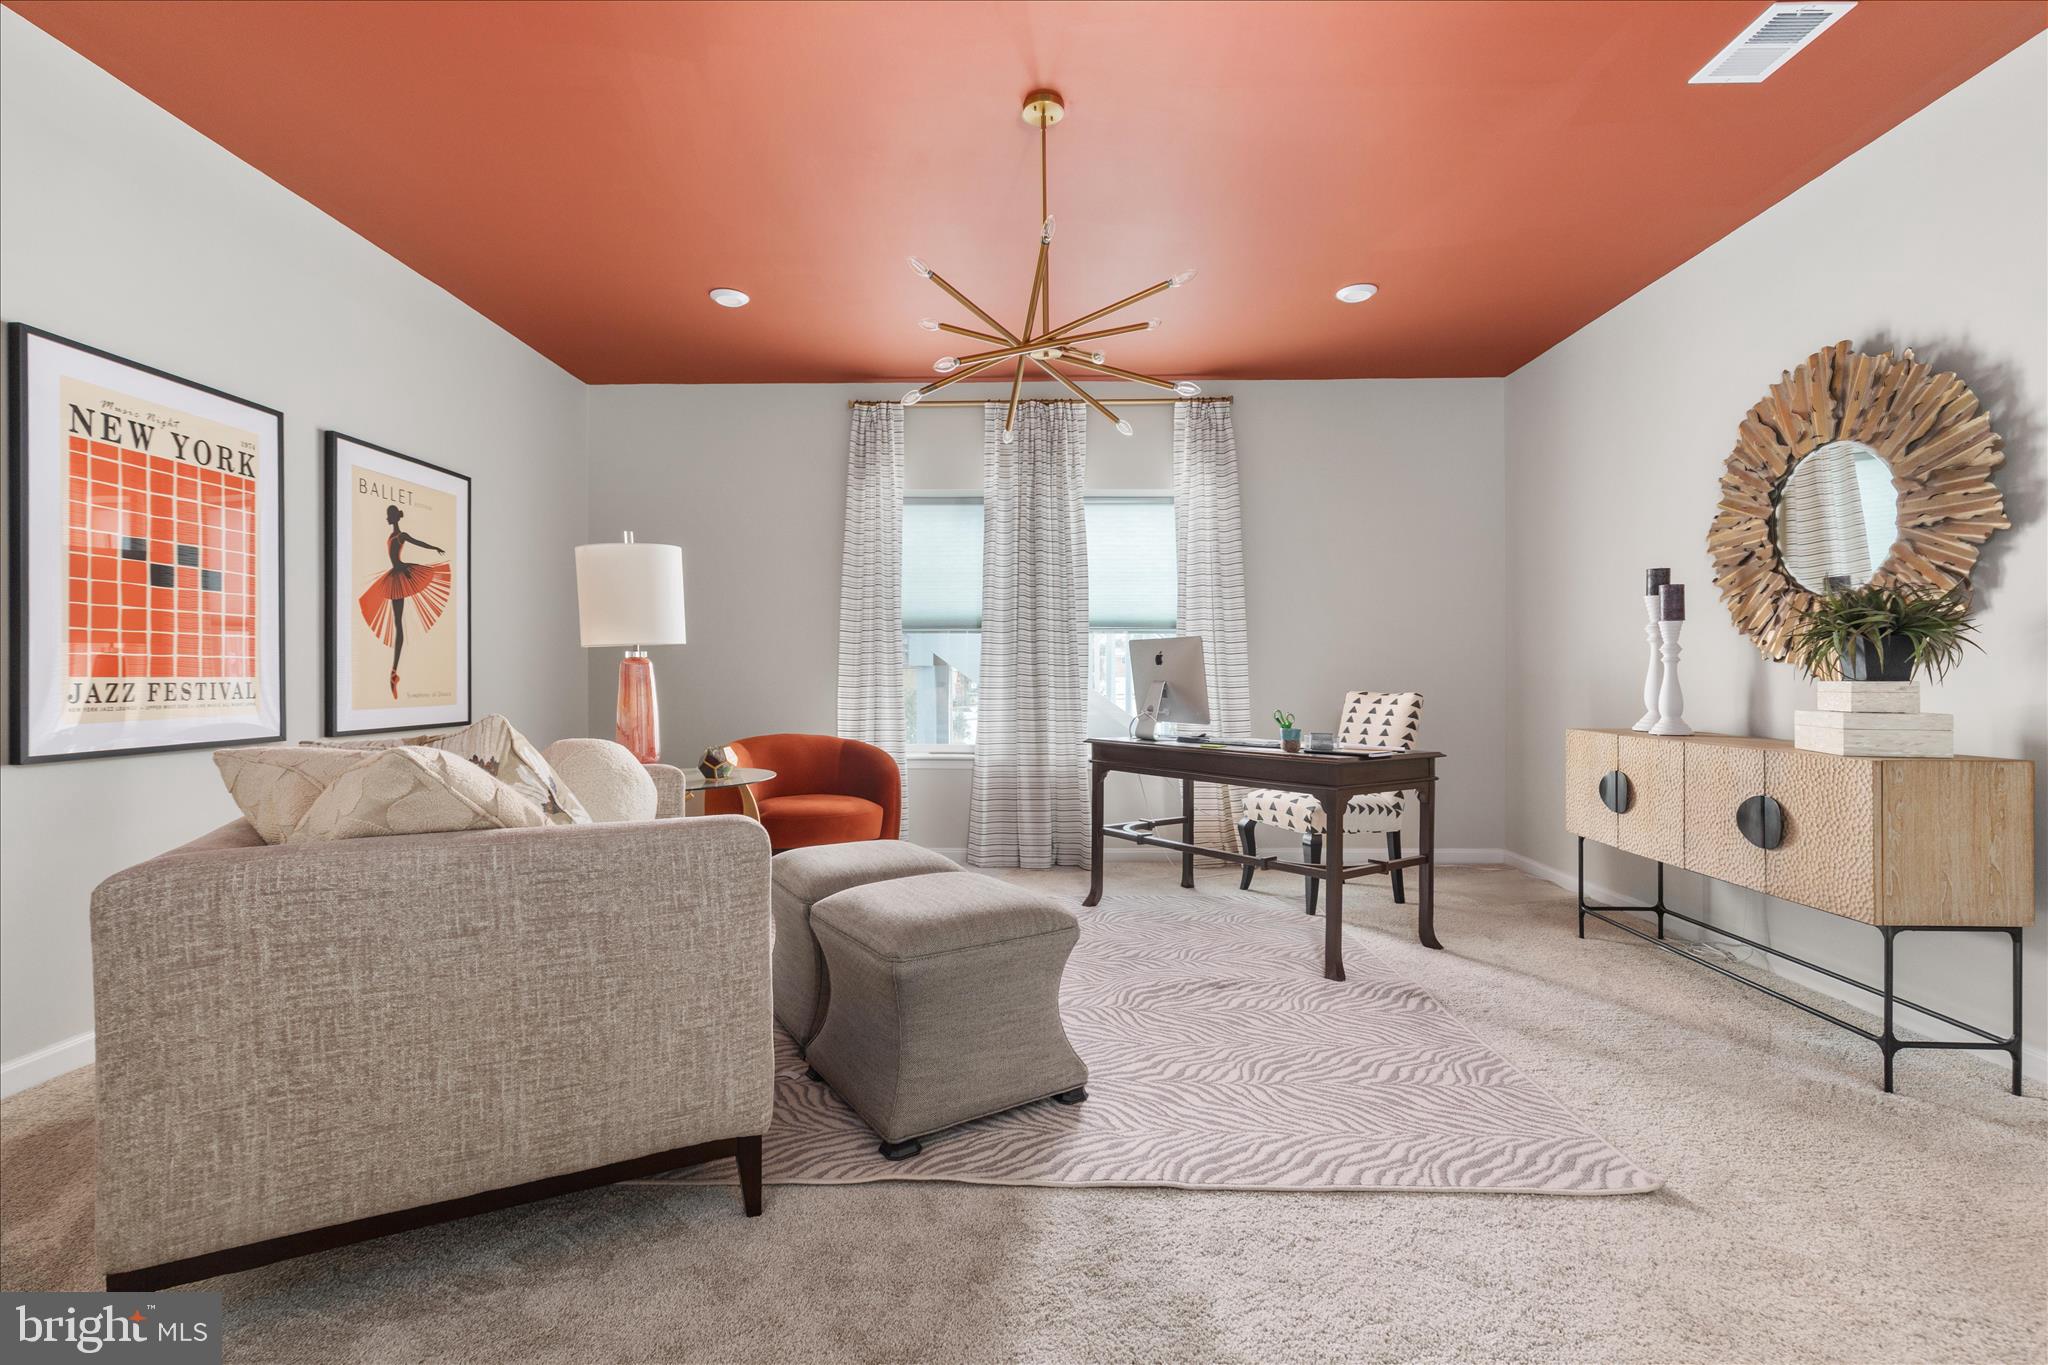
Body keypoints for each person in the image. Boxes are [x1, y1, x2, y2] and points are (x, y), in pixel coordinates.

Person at [358, 504, 450, 698]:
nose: (386, 519)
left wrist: (434, 548)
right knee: (396, 623)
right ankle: (394, 672)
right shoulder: (393, 536)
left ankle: (394, 671)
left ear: (394, 517)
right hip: (396, 576)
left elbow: (418, 543)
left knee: (398, 625)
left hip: (401, 575)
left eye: (388, 516)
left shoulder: (401, 535)